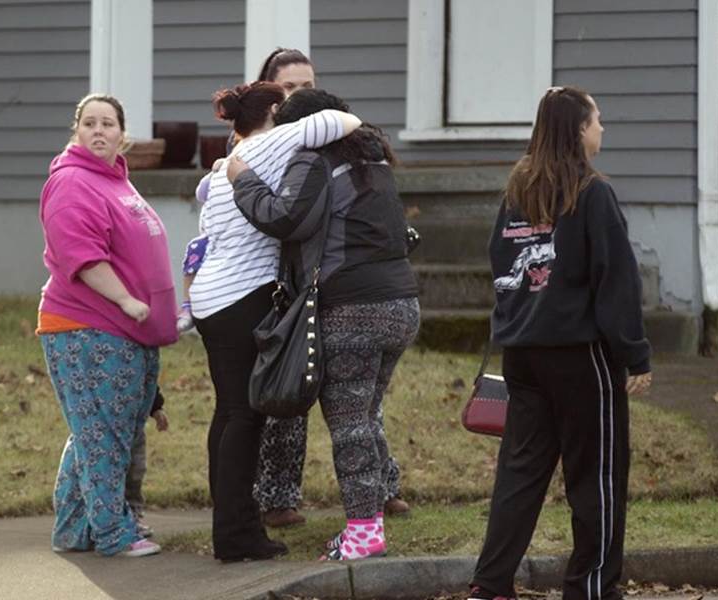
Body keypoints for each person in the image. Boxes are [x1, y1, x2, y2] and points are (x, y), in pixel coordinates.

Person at [465, 86, 652, 600]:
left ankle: (491, 583)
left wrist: (513, 322)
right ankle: (591, 588)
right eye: (598, 120)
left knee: (520, 474)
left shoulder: (517, 191)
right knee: (596, 476)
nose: (602, 129)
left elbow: (500, 264)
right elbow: (615, 279)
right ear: (578, 130)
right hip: (581, 355)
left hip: (523, 354)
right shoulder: (593, 193)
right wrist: (634, 352)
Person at [228, 89, 419, 561]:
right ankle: (368, 523)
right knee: (366, 419)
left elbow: (284, 217)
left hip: (351, 308)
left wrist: (244, 180)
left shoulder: (313, 160)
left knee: (350, 425)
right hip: (401, 305)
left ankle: (362, 532)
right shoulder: (373, 160)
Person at [191, 81, 361, 562]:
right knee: (246, 415)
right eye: (283, 104)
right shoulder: (275, 140)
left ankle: (230, 525)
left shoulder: (230, 161)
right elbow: (344, 121)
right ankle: (237, 535)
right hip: (244, 297)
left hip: (211, 299)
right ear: (271, 111)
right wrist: (298, 123)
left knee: (228, 413)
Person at [37, 93, 179, 558]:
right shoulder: (73, 182)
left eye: (108, 124)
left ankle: (73, 531)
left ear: (123, 135)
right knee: (103, 433)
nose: (99, 131)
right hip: (85, 325)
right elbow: (80, 254)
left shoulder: (115, 180)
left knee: (98, 430)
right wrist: (124, 299)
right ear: (76, 132)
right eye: (90, 124)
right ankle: (112, 534)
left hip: (124, 328)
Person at [124, 388, 169, 538]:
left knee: (134, 471)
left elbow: (147, 373)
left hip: (133, 419)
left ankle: (132, 516)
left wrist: (155, 407)